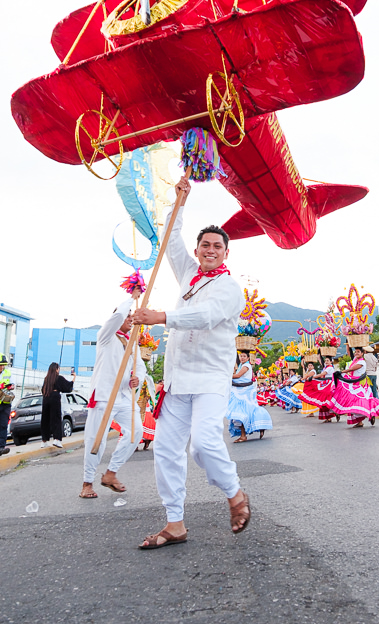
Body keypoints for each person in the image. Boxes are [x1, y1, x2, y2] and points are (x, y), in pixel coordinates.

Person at [132, 175, 250, 549]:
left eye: (217, 246)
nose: (210, 250)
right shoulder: (187, 273)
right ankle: (175, 523)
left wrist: (161, 317)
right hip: (177, 380)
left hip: (211, 379)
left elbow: (205, 317)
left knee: (202, 445)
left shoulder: (230, 288)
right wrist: (179, 201)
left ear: (226, 253)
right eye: (205, 245)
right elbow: (170, 239)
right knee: (166, 451)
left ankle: (234, 495)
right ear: (198, 250)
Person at [80, 285, 146, 499]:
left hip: (125, 396)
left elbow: (141, 369)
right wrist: (132, 297)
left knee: (136, 433)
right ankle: (87, 483)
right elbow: (118, 314)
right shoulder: (105, 336)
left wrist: (138, 378)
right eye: (127, 316)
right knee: (95, 441)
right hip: (104, 397)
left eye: (131, 316)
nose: (129, 318)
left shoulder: (131, 343)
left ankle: (111, 473)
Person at [330, 346, 379, 427]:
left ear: (362, 353)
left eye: (358, 352)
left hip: (360, 384)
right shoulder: (355, 360)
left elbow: (352, 369)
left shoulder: (362, 362)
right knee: (354, 402)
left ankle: (371, 413)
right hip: (354, 383)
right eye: (355, 352)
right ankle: (360, 421)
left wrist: (342, 372)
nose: (356, 353)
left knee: (359, 401)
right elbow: (350, 355)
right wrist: (348, 345)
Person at [227, 351, 273, 442]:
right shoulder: (241, 365)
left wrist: (226, 376)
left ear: (248, 358)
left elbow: (238, 376)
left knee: (242, 412)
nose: (242, 358)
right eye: (241, 356)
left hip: (245, 392)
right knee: (244, 411)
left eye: (244, 356)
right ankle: (249, 432)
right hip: (241, 390)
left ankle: (244, 436)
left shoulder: (246, 366)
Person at [40, 363, 76, 447]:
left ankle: (44, 441)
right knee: (56, 418)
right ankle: (57, 439)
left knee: (45, 419)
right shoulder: (59, 378)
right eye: (58, 368)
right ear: (56, 369)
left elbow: (43, 390)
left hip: (46, 398)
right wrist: (74, 378)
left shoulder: (46, 379)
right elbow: (67, 387)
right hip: (55, 398)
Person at [0, 356, 14, 456]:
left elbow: (13, 384)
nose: (2, 367)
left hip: (5, 403)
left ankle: (1, 447)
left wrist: (10, 386)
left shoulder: (8, 373)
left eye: (3, 365)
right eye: (0, 365)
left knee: (3, 425)